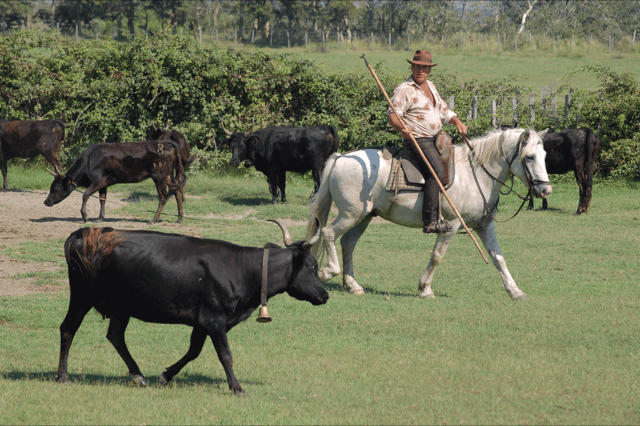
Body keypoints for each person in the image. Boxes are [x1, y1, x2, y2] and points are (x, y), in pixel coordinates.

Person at [388, 50, 468, 234]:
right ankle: (430, 221)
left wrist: (457, 121)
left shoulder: (430, 86)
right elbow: (393, 115)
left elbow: (443, 111)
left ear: (430, 70)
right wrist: (402, 128)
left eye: (425, 68)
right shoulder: (404, 89)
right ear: (412, 67)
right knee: (437, 172)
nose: (421, 71)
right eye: (417, 67)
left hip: (437, 137)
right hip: (417, 140)